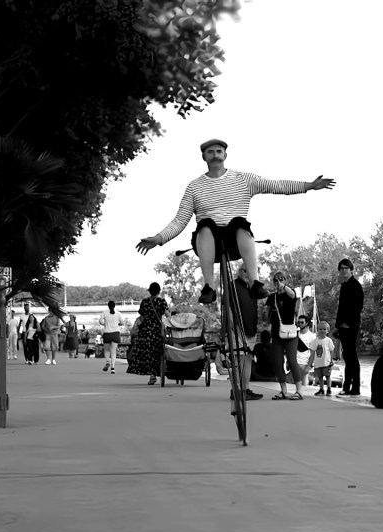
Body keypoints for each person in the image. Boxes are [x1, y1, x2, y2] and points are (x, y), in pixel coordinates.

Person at [135, 138, 336, 304]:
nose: (215, 155)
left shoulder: (244, 180)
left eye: (219, 151)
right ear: (204, 157)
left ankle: (255, 283)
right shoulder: (194, 187)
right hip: (208, 244)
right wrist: (158, 239)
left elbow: (276, 185)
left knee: (240, 224)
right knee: (205, 226)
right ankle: (209, 287)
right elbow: (180, 220)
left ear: (225, 155)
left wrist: (309, 185)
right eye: (210, 152)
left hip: (236, 241)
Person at [267, 271, 305, 400]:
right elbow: (268, 313)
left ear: (285, 281)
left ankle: (299, 391)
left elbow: (293, 295)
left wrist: (284, 287)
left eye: (281, 279)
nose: (278, 282)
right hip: (276, 332)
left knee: (292, 360)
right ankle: (283, 390)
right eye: (276, 280)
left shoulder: (290, 294)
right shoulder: (272, 297)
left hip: (291, 333)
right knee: (278, 362)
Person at [127, 283, 170, 384]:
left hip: (145, 331)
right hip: (157, 331)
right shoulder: (161, 301)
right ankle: (154, 374)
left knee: (146, 353)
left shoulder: (145, 302)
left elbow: (142, 318)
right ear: (159, 291)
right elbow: (168, 315)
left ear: (150, 291)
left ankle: (152, 375)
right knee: (157, 353)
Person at [231, 265, 263, 400]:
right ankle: (237, 390)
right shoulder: (233, 285)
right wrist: (231, 327)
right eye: (245, 270)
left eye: (250, 271)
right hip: (238, 328)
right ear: (240, 271)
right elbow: (228, 307)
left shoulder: (253, 287)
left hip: (251, 329)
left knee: (248, 358)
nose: (247, 273)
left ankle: (245, 389)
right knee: (239, 359)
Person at [335, 258, 364, 397]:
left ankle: (354, 387)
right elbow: (341, 308)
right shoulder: (344, 285)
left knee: (351, 356)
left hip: (351, 325)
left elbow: (358, 307)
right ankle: (347, 387)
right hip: (342, 325)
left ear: (351, 269)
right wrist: (337, 325)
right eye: (342, 268)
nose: (344, 270)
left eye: (346, 268)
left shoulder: (355, 285)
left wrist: (348, 323)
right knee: (347, 356)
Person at [309, 321, 337, 396]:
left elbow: (331, 351)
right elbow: (312, 353)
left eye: (324, 329)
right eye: (320, 329)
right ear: (317, 330)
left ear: (327, 331)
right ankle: (321, 389)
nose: (322, 331)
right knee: (320, 377)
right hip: (318, 363)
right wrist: (310, 363)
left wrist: (332, 360)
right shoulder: (314, 341)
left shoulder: (328, 341)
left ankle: (329, 389)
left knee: (328, 376)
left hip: (326, 362)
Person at [98, 300, 124, 374]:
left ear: (108, 306)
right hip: (115, 334)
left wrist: (105, 324)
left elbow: (100, 321)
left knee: (107, 350)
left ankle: (107, 361)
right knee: (113, 351)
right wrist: (118, 324)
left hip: (107, 333)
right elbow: (122, 322)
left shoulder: (104, 313)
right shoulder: (118, 313)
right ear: (114, 306)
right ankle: (113, 368)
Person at [295, 314, 316, 387]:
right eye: (298, 322)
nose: (300, 324)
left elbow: (313, 353)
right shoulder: (295, 334)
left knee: (303, 386)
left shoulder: (311, 336)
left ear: (306, 323)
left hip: (304, 364)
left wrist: (308, 367)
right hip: (295, 363)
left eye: (302, 322)